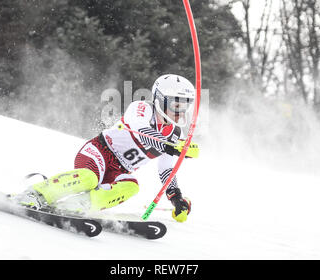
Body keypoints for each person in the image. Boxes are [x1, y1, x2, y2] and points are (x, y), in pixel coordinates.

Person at [14, 74, 199, 222]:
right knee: (89, 178)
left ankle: (77, 205)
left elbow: (166, 169)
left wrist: (177, 198)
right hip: (99, 152)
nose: (181, 111)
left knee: (131, 187)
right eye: (176, 104)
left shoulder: (176, 135)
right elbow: (141, 130)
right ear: (160, 100)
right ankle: (36, 193)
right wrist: (173, 147)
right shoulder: (141, 108)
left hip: (119, 169)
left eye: (185, 105)